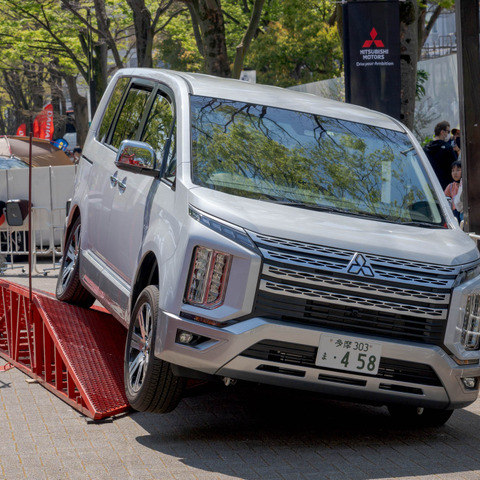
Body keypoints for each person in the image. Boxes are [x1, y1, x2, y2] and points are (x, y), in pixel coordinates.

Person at [423, 121, 458, 189]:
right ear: (442, 132)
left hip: (430, 186)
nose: (448, 134)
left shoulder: (425, 148)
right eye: (448, 131)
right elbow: (456, 166)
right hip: (446, 187)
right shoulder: (448, 148)